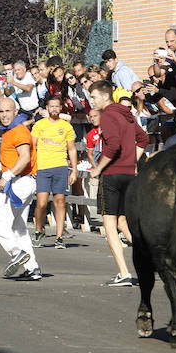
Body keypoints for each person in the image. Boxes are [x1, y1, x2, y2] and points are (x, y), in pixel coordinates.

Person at [89, 81, 149, 286]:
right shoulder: (127, 113)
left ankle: (124, 273)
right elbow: (143, 139)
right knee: (123, 221)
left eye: (94, 97)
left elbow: (112, 145)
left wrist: (98, 168)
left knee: (110, 224)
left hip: (112, 174)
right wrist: (133, 161)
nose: (92, 101)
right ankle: (148, 257)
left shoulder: (107, 115)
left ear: (105, 97)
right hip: (129, 175)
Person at [0, 97, 41, 280]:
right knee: (18, 227)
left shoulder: (19, 131)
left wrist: (6, 176)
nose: (4, 114)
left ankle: (17, 253)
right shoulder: (8, 131)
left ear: (16, 112)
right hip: (22, 181)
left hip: (20, 182)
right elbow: (12, 159)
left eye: (8, 111)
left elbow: (23, 158)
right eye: (1, 111)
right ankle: (32, 269)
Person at [31, 95, 77, 249]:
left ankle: (59, 237)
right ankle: (38, 230)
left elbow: (72, 149)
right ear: (47, 108)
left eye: (57, 106)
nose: (54, 109)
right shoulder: (39, 125)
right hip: (43, 168)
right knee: (42, 202)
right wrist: (32, 166)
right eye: (52, 106)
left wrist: (74, 170)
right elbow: (32, 147)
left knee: (60, 201)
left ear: (61, 108)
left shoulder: (66, 126)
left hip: (61, 167)